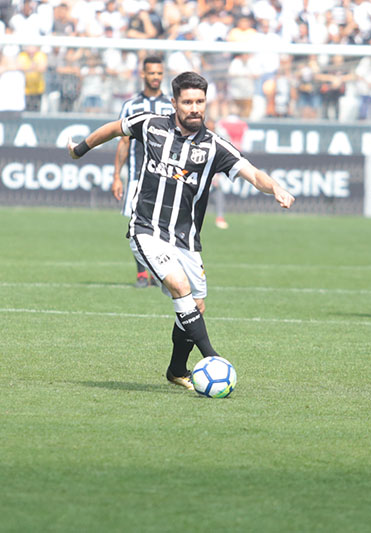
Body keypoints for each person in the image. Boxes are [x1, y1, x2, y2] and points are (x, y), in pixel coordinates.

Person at [68, 71, 294, 389]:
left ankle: (176, 370)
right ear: (174, 103)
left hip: (186, 240)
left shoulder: (214, 146)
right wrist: (81, 149)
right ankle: (214, 359)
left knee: (195, 306)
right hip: (146, 229)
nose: (194, 108)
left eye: (200, 101)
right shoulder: (150, 124)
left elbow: (253, 174)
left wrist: (276, 189)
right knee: (179, 286)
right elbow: (114, 129)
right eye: (187, 102)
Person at [112, 56, 175, 288]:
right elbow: (123, 142)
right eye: (152, 73)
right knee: (137, 224)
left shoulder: (171, 106)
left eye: (159, 73)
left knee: (164, 224)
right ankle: (141, 273)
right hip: (138, 175)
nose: (156, 77)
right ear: (143, 74)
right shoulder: (130, 106)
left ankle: (159, 272)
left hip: (165, 176)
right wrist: (117, 176)